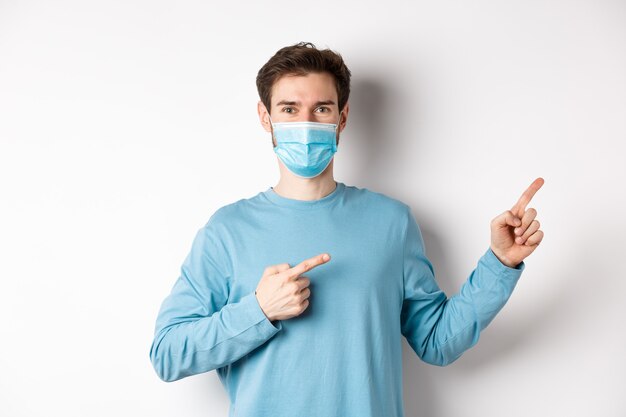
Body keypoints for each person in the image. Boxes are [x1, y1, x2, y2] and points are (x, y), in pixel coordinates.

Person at [149, 42, 544, 417]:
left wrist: (500, 264)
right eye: (289, 109)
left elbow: (437, 342)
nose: (305, 123)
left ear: (343, 116)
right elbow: (168, 354)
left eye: (321, 108)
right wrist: (260, 310)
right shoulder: (227, 231)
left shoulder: (392, 222)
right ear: (265, 117)